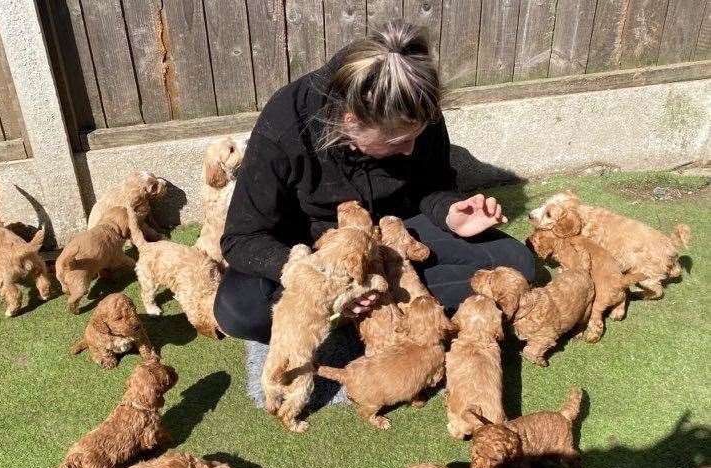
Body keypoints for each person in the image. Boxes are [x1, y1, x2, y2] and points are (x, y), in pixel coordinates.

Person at [214, 20, 534, 344]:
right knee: (239, 310)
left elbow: (432, 185)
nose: (410, 150)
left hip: (396, 231)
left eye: (416, 137)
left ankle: (380, 301)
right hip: (316, 245)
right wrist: (321, 278)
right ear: (350, 123)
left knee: (517, 265)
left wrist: (451, 211)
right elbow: (242, 238)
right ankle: (363, 304)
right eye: (396, 143)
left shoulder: (416, 103)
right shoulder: (284, 123)